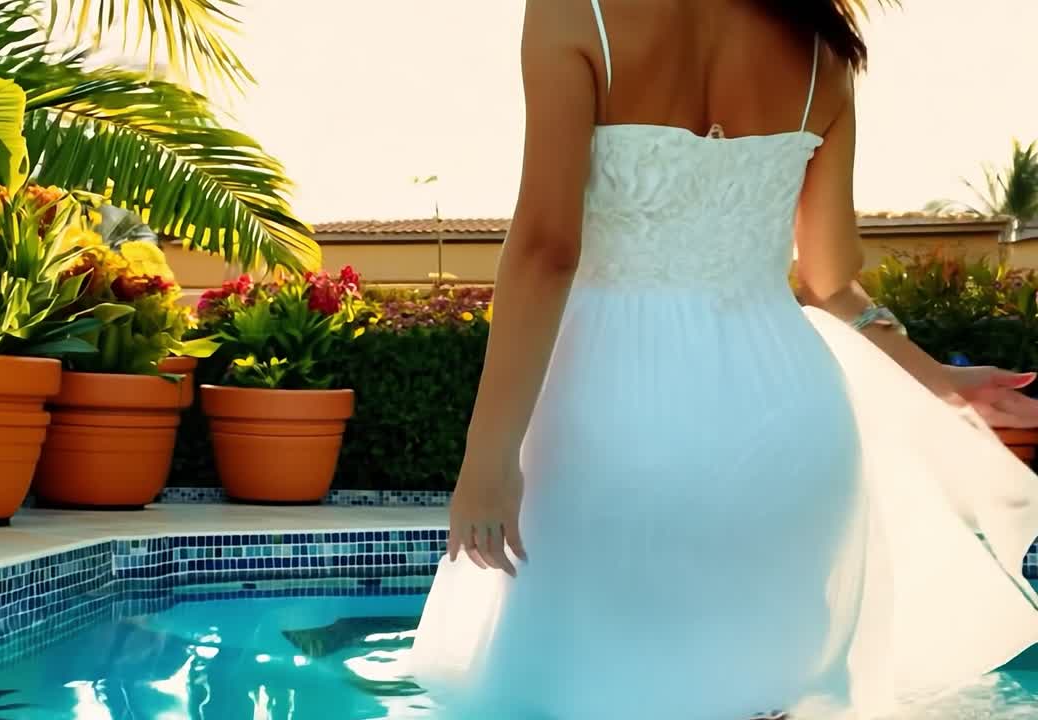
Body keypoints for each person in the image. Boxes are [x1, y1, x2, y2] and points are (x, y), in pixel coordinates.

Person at [408, 0, 1038, 717]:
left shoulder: (573, 11)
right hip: (790, 426)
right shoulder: (822, 52)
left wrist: (486, 457)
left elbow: (547, 250)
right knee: (767, 698)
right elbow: (831, 282)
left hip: (613, 415)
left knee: (594, 690)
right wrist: (937, 379)